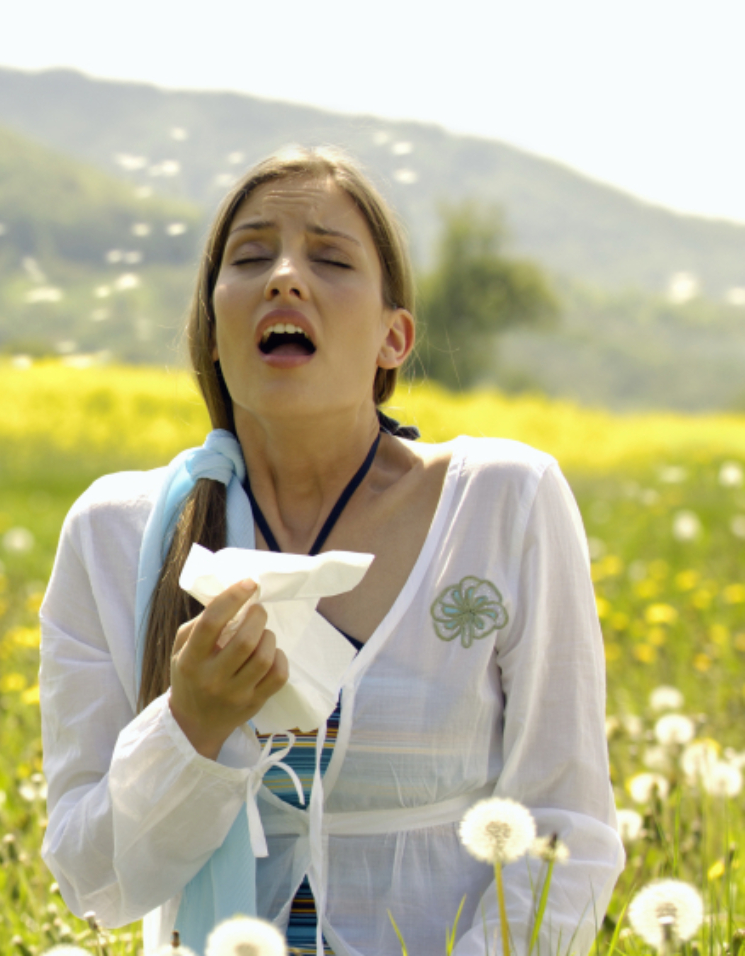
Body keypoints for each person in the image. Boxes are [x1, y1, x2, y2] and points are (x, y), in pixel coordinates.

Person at [36, 145, 623, 956]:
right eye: (250, 257)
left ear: (394, 338)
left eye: (330, 258)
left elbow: (568, 831)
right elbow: (93, 880)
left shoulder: (503, 502)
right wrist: (190, 729)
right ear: (212, 331)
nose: (284, 277)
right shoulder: (115, 534)